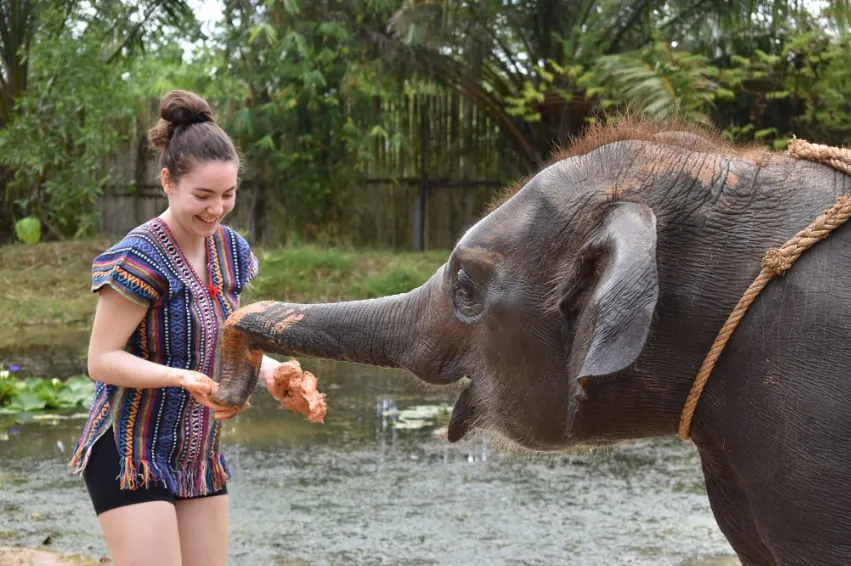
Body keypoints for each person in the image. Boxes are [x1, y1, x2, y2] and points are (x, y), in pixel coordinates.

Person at [68, 89, 282, 566]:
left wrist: (270, 372)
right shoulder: (139, 256)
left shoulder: (231, 250)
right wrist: (180, 377)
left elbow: (225, 338)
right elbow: (101, 360)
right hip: (131, 451)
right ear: (167, 182)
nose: (216, 208)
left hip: (198, 454)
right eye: (202, 196)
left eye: (228, 194)